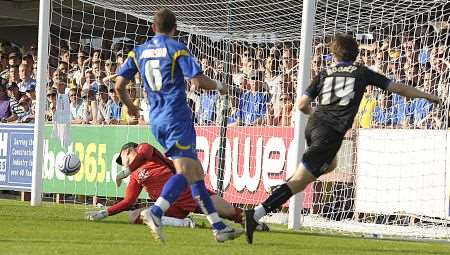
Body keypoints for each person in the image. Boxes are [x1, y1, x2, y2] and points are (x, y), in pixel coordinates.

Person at [243, 34, 441, 244]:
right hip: (330, 134)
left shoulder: (324, 72)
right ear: (355, 54)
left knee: (330, 164)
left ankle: (285, 187)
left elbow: (301, 105)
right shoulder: (362, 73)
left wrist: (316, 115)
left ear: (334, 54)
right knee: (301, 181)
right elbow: (398, 88)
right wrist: (426, 95)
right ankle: (256, 213)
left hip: (314, 126)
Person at [114, 8, 241, 243]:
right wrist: (222, 87)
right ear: (174, 29)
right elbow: (198, 81)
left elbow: (119, 86)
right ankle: (156, 211)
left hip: (156, 120)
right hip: (176, 119)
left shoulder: (138, 52)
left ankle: (219, 227)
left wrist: (131, 107)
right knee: (185, 172)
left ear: (153, 28)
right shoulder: (177, 48)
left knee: (195, 175)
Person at [86, 143, 270, 231]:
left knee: (230, 212)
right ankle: (185, 223)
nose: (122, 163)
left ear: (127, 151)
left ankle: (257, 225)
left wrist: (124, 171)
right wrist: (103, 213)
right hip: (170, 206)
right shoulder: (135, 176)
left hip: (188, 190)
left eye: (122, 159)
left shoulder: (145, 151)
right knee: (135, 216)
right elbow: (128, 201)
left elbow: (144, 152)